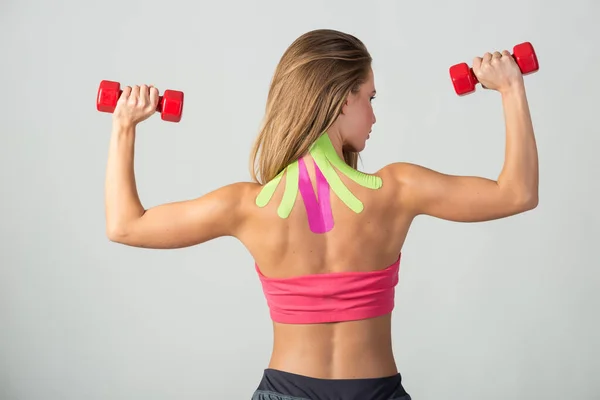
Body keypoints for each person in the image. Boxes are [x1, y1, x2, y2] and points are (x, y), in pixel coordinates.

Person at [104, 29, 538, 400]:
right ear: (341, 99)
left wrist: (124, 125)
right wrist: (511, 88)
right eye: (369, 97)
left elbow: (126, 226)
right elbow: (517, 193)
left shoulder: (246, 206)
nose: (374, 114)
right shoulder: (398, 190)